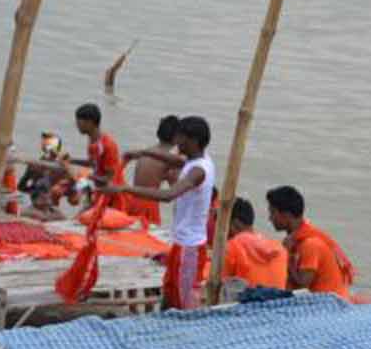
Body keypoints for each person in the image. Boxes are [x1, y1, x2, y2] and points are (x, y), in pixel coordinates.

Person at [109, 115, 215, 309]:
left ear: (194, 141)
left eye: (181, 138)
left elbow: (168, 195)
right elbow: (174, 159)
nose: (177, 142)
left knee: (184, 302)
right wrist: (143, 153)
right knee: (169, 292)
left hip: (190, 246)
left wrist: (125, 189)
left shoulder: (198, 171)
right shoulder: (197, 159)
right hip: (180, 243)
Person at [266, 185, 357, 297]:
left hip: (330, 305)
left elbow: (302, 285)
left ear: (286, 215)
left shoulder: (310, 244)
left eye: (272, 213)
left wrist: (286, 256)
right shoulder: (297, 239)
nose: (270, 218)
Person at [119, 116, 182, 226]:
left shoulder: (147, 151)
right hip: (148, 206)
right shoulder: (169, 158)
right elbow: (176, 189)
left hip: (133, 201)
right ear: (177, 137)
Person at [223, 198, 289, 291]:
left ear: (234, 224)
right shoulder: (279, 247)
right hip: (278, 303)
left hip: (247, 304)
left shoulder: (232, 246)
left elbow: (219, 285)